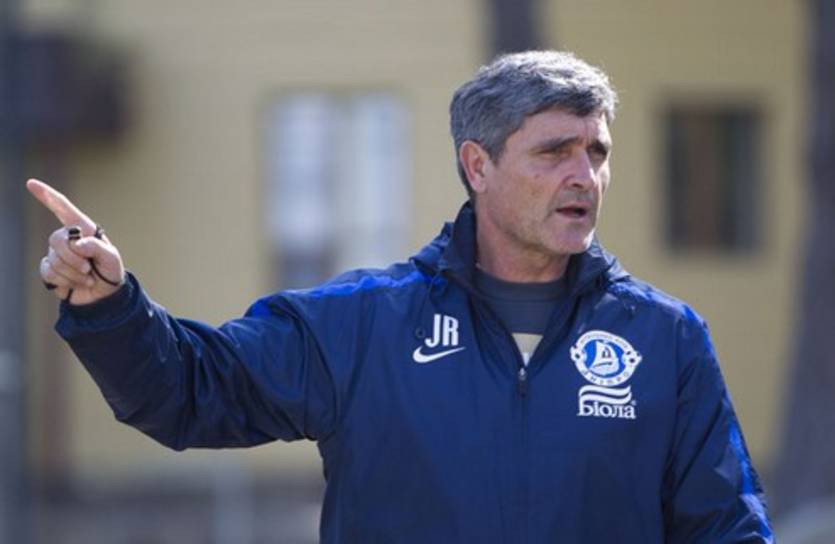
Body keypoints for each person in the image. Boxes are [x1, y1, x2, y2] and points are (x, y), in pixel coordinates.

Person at [30, 51, 773, 542]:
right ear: (477, 166)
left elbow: (726, 529)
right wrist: (110, 306)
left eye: (596, 152)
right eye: (554, 151)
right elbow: (189, 391)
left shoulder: (665, 337)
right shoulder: (365, 323)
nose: (584, 175)